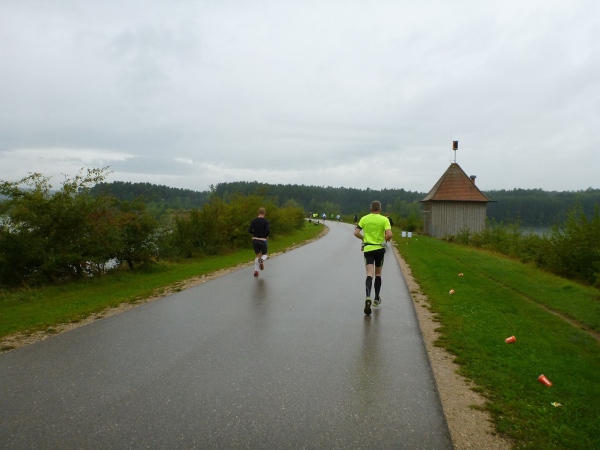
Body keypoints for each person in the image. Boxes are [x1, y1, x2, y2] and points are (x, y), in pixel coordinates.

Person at [354, 201, 393, 315]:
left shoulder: (364, 218)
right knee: (378, 274)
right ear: (380, 209)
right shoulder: (384, 219)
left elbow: (356, 232)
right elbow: (390, 234)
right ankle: (376, 298)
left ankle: (368, 296)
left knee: (369, 274)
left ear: (370, 209)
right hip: (380, 249)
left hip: (368, 249)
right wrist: (385, 240)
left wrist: (363, 238)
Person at [249, 207, 270, 277]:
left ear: (258, 212)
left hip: (255, 240)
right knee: (265, 254)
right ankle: (262, 260)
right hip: (262, 240)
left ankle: (256, 271)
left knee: (257, 255)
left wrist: (254, 234)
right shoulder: (266, 221)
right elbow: (268, 231)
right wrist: (266, 236)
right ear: (264, 213)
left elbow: (249, 230)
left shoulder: (254, 220)